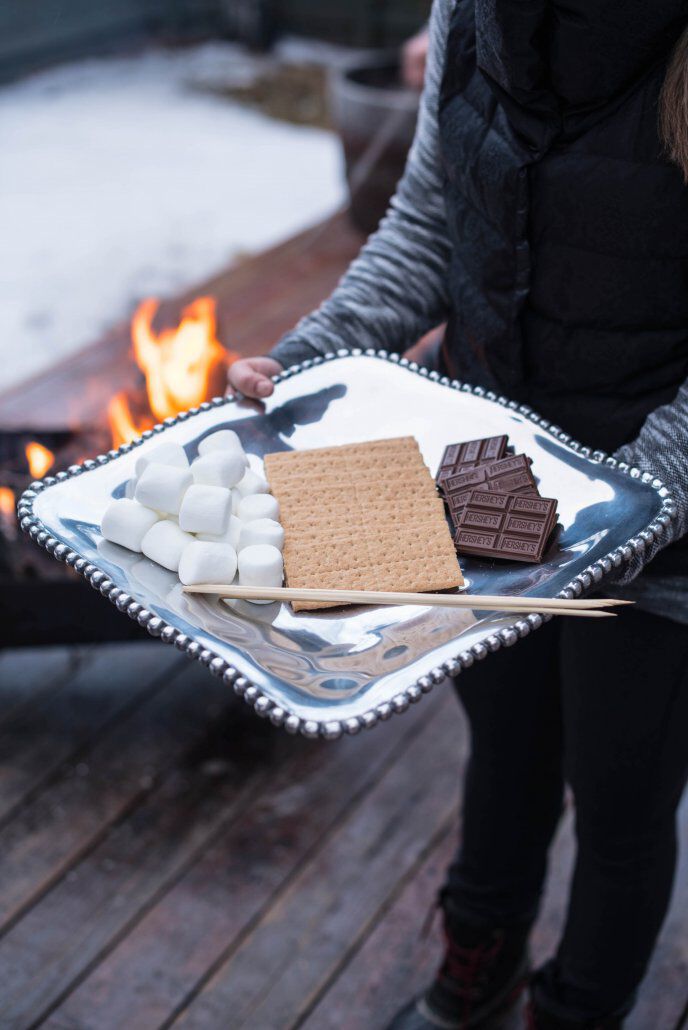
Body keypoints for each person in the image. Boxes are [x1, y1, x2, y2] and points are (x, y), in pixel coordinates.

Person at [228, 3, 688, 1027]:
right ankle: (475, 967)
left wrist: (627, 503)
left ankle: (575, 1008)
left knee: (617, 795)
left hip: (662, 512)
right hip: (477, 464)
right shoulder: (472, 14)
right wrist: (314, 355)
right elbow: (433, 218)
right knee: (506, 738)